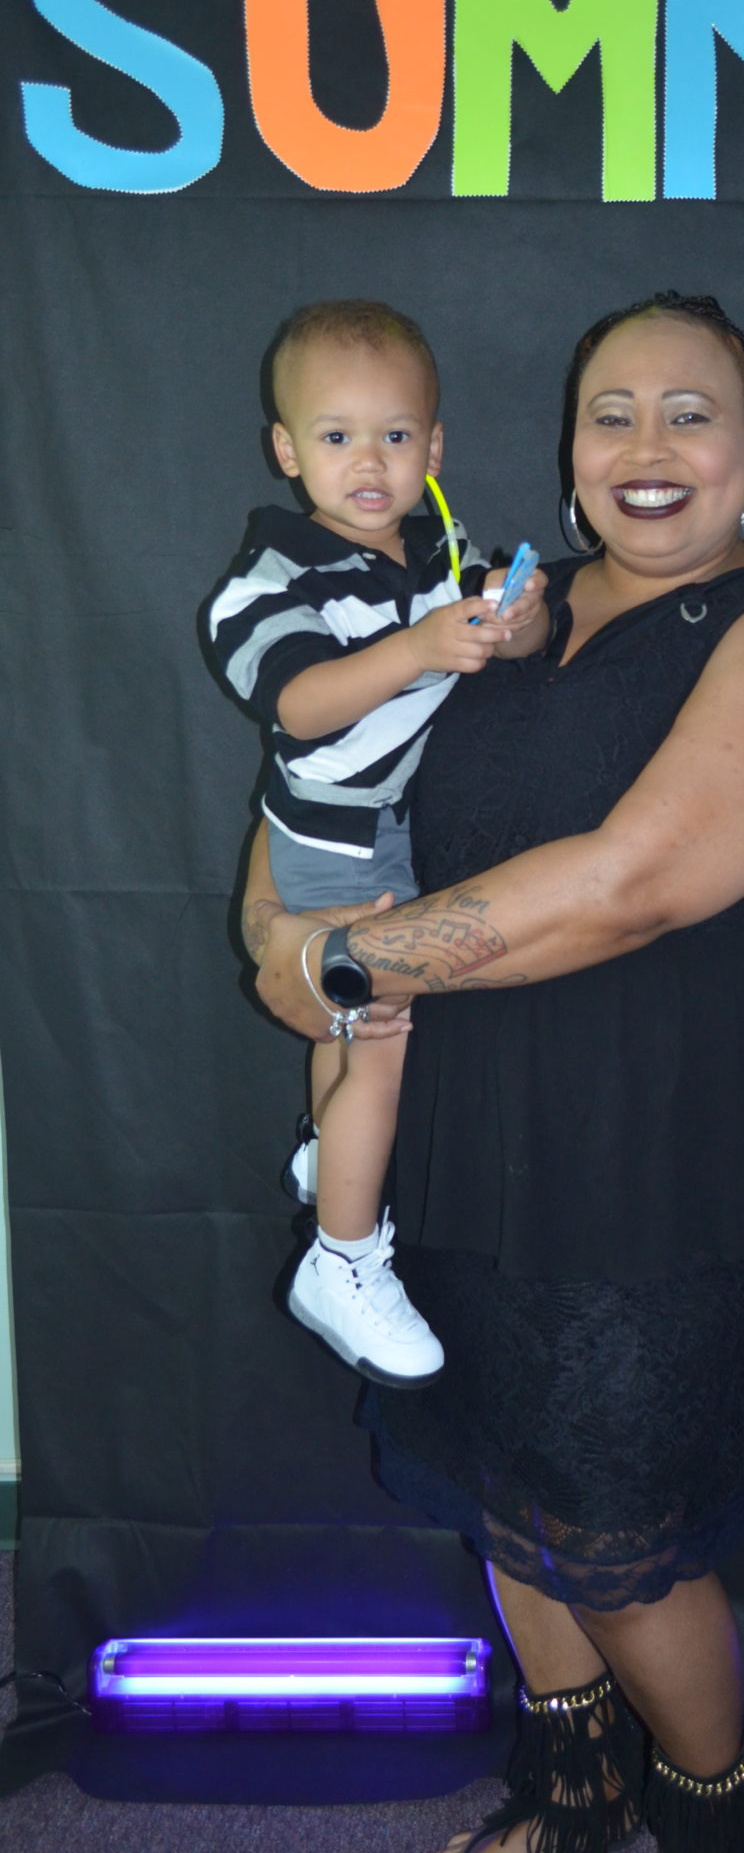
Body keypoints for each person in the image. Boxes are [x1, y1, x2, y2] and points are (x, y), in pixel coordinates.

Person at [244, 290, 744, 1852]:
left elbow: (630, 885)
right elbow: (328, 794)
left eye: (690, 413)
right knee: (499, 1491)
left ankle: (719, 1818)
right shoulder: (495, 610)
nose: (648, 446)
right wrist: (276, 924)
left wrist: (334, 967)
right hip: (458, 1138)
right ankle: (573, 1794)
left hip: (654, 1168)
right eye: (613, 412)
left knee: (619, 1536)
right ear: (566, 445)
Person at [207, 299, 546, 1388]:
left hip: (391, 831)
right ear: (287, 449)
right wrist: (419, 645)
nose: (370, 461)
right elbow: (301, 704)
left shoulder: (434, 551)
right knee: (384, 1039)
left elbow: (501, 626)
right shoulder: (271, 578)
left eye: (396, 436)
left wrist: (515, 613)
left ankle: (329, 1143)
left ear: (435, 449)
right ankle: (343, 1261)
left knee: (354, 1046)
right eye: (338, 435)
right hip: (331, 845)